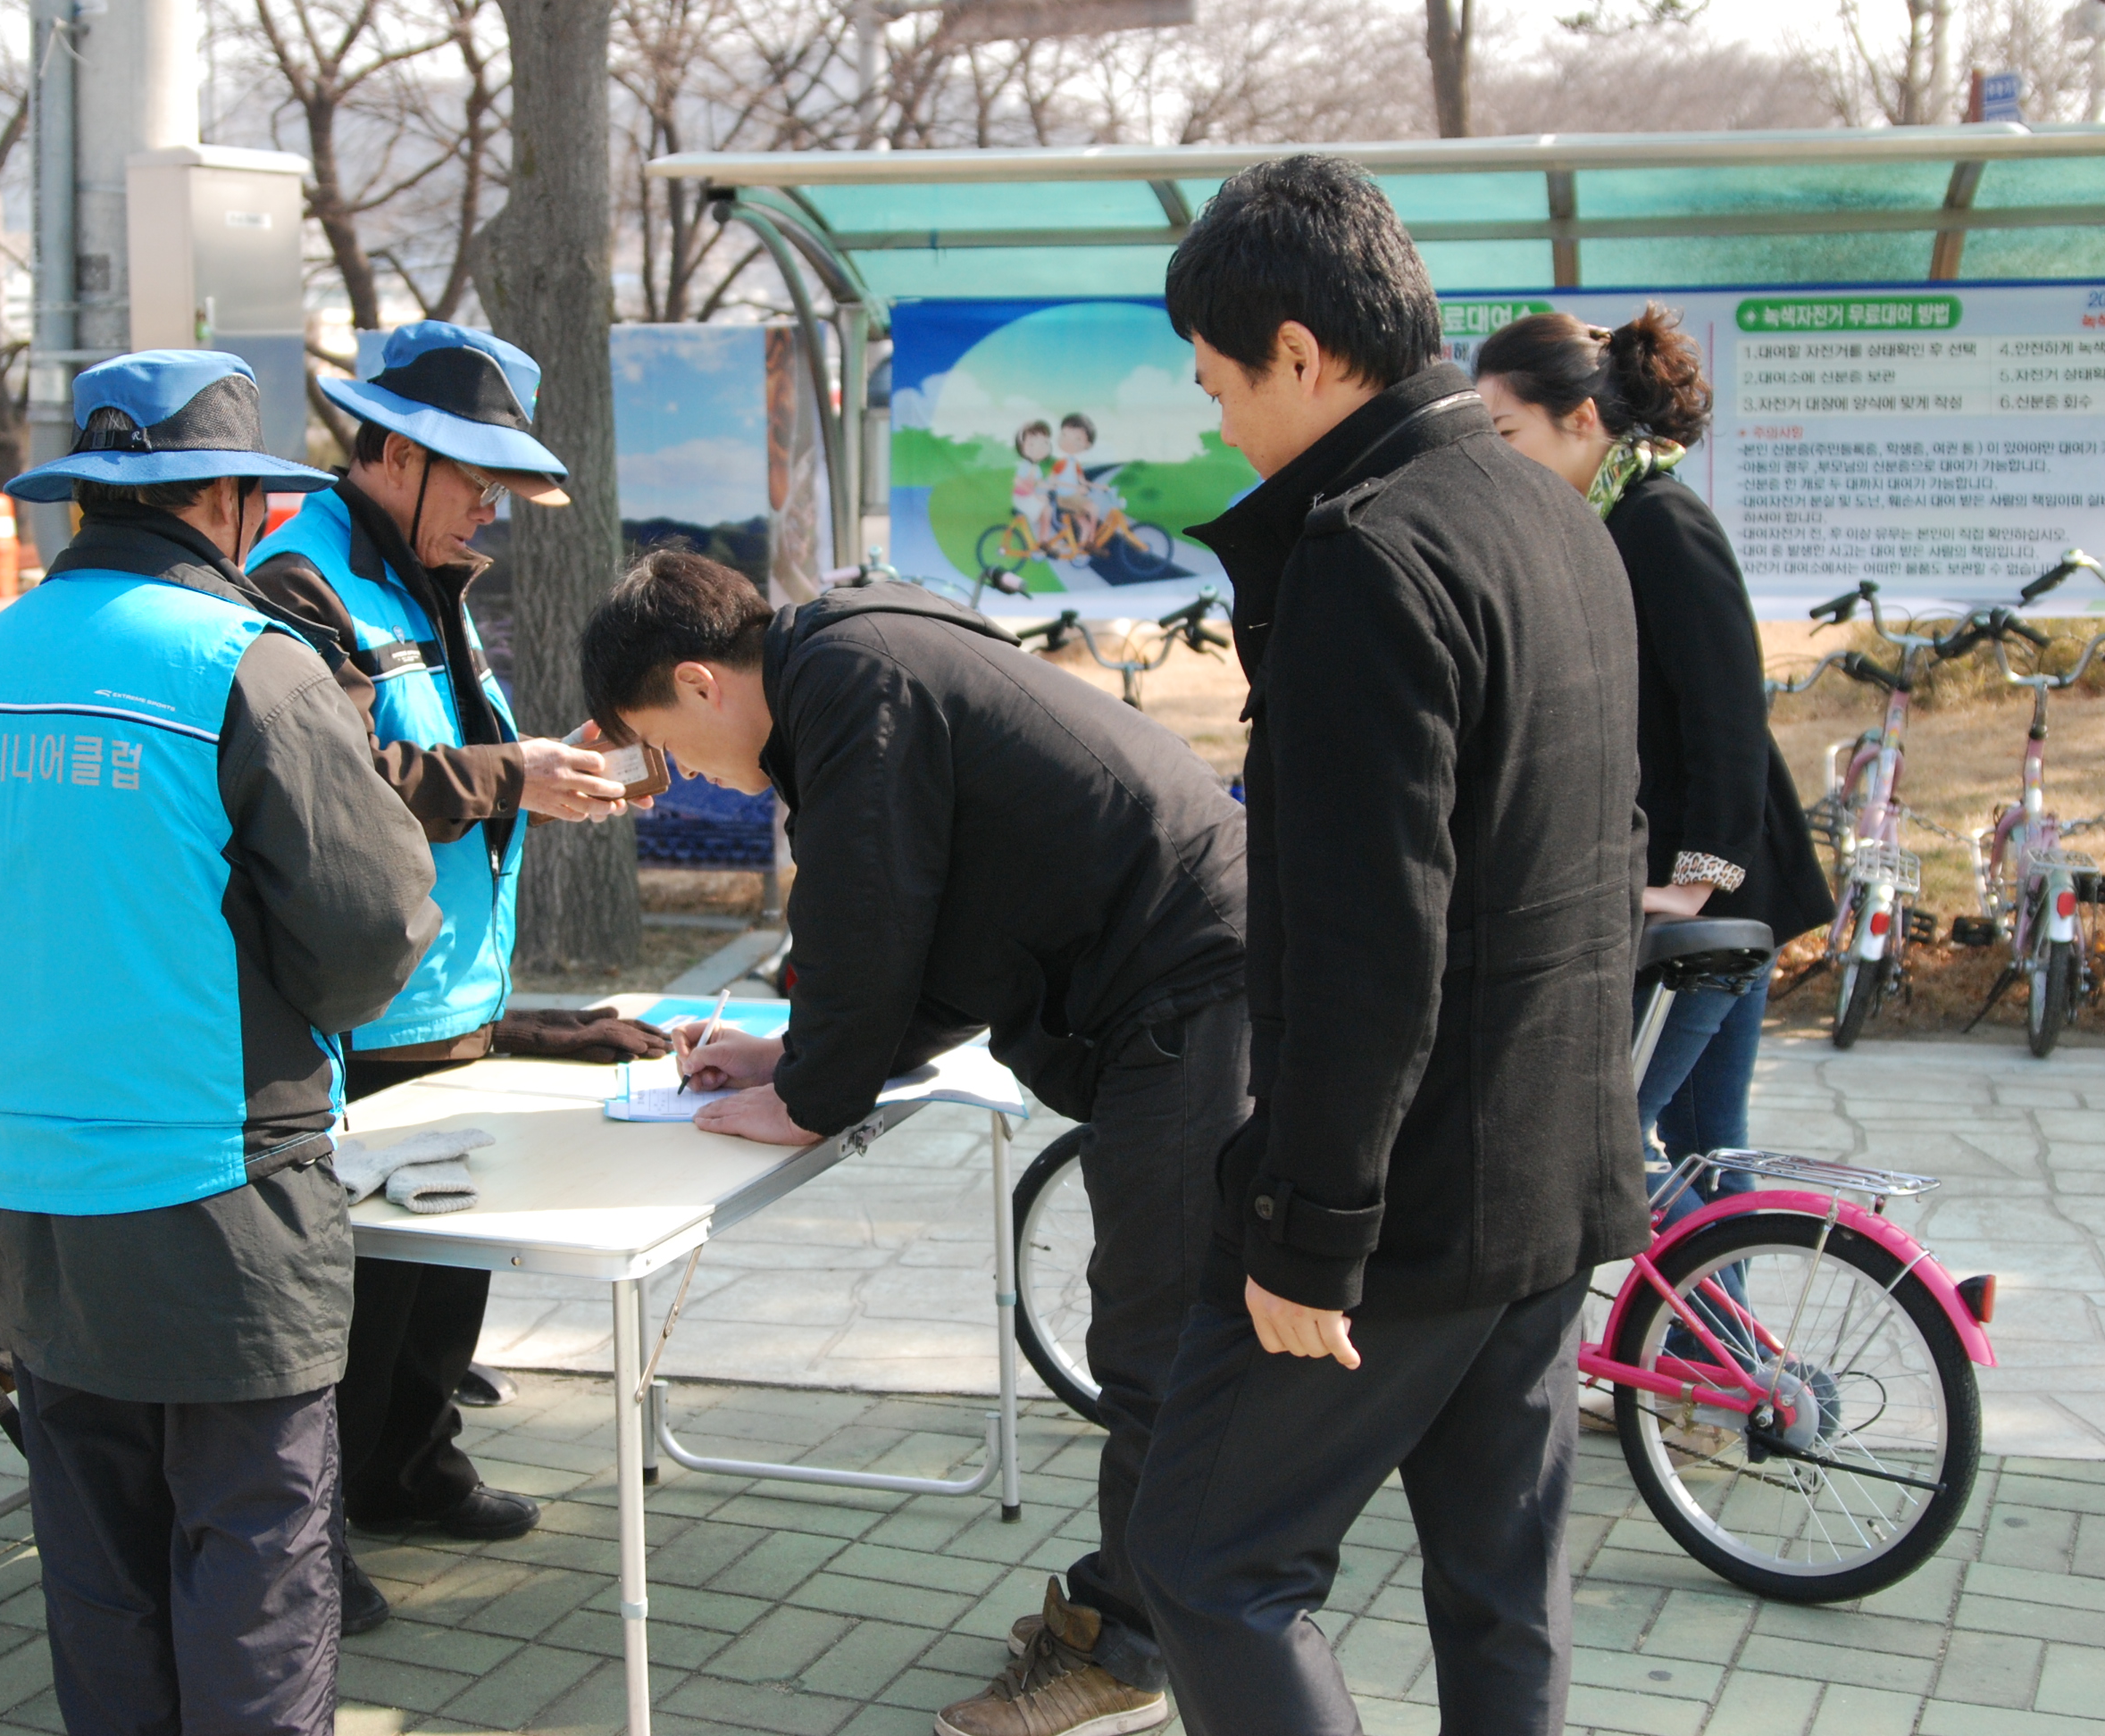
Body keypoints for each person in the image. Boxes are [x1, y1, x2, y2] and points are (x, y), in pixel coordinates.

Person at [1120, 155, 1650, 1736]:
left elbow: (1370, 940)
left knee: (1208, 1557)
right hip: (1554, 1161)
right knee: (1502, 1579)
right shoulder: (1549, 513)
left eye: (1218, 381)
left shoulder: (1367, 553)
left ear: (1298, 349)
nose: (1217, 419)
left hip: (1406, 1198)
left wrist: (1309, 1228)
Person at [579, 548, 1249, 1736]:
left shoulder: (845, 681)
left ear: (699, 682)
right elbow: (932, 920)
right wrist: (801, 1061)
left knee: (1158, 1340)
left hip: (1195, 989)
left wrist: (815, 1094)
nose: (695, 782)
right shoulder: (851, 654)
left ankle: (1129, 1652)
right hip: (1185, 973)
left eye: (673, 748)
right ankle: (1148, 1612)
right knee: (1161, 1329)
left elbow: (869, 905)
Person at [0, 349, 440, 1736]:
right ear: (221, 497)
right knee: (256, 1573)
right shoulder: (244, 666)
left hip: (31, 1199)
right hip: (219, 1198)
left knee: (101, 1576)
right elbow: (373, 933)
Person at [246, 321, 672, 1628]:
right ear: (387, 452)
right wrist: (511, 777)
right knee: (356, 1293)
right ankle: (317, 1539)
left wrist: (542, 777)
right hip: (363, 1002)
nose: (493, 506)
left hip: (452, 996)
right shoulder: (298, 586)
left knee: (441, 1275)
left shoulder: (428, 578)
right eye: (475, 477)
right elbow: (324, 790)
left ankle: (410, 1468)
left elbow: (446, 756)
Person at [1474, 306, 1834, 1226]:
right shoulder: (1595, 525)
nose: (1498, 458)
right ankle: (1730, 1365)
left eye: (1506, 432)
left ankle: (1717, 1354)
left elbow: (1728, 719)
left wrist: (1697, 884)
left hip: (1707, 905)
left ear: (1581, 420)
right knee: (1710, 1152)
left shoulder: (1659, 523)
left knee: (1604, 1143)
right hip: (1695, 904)